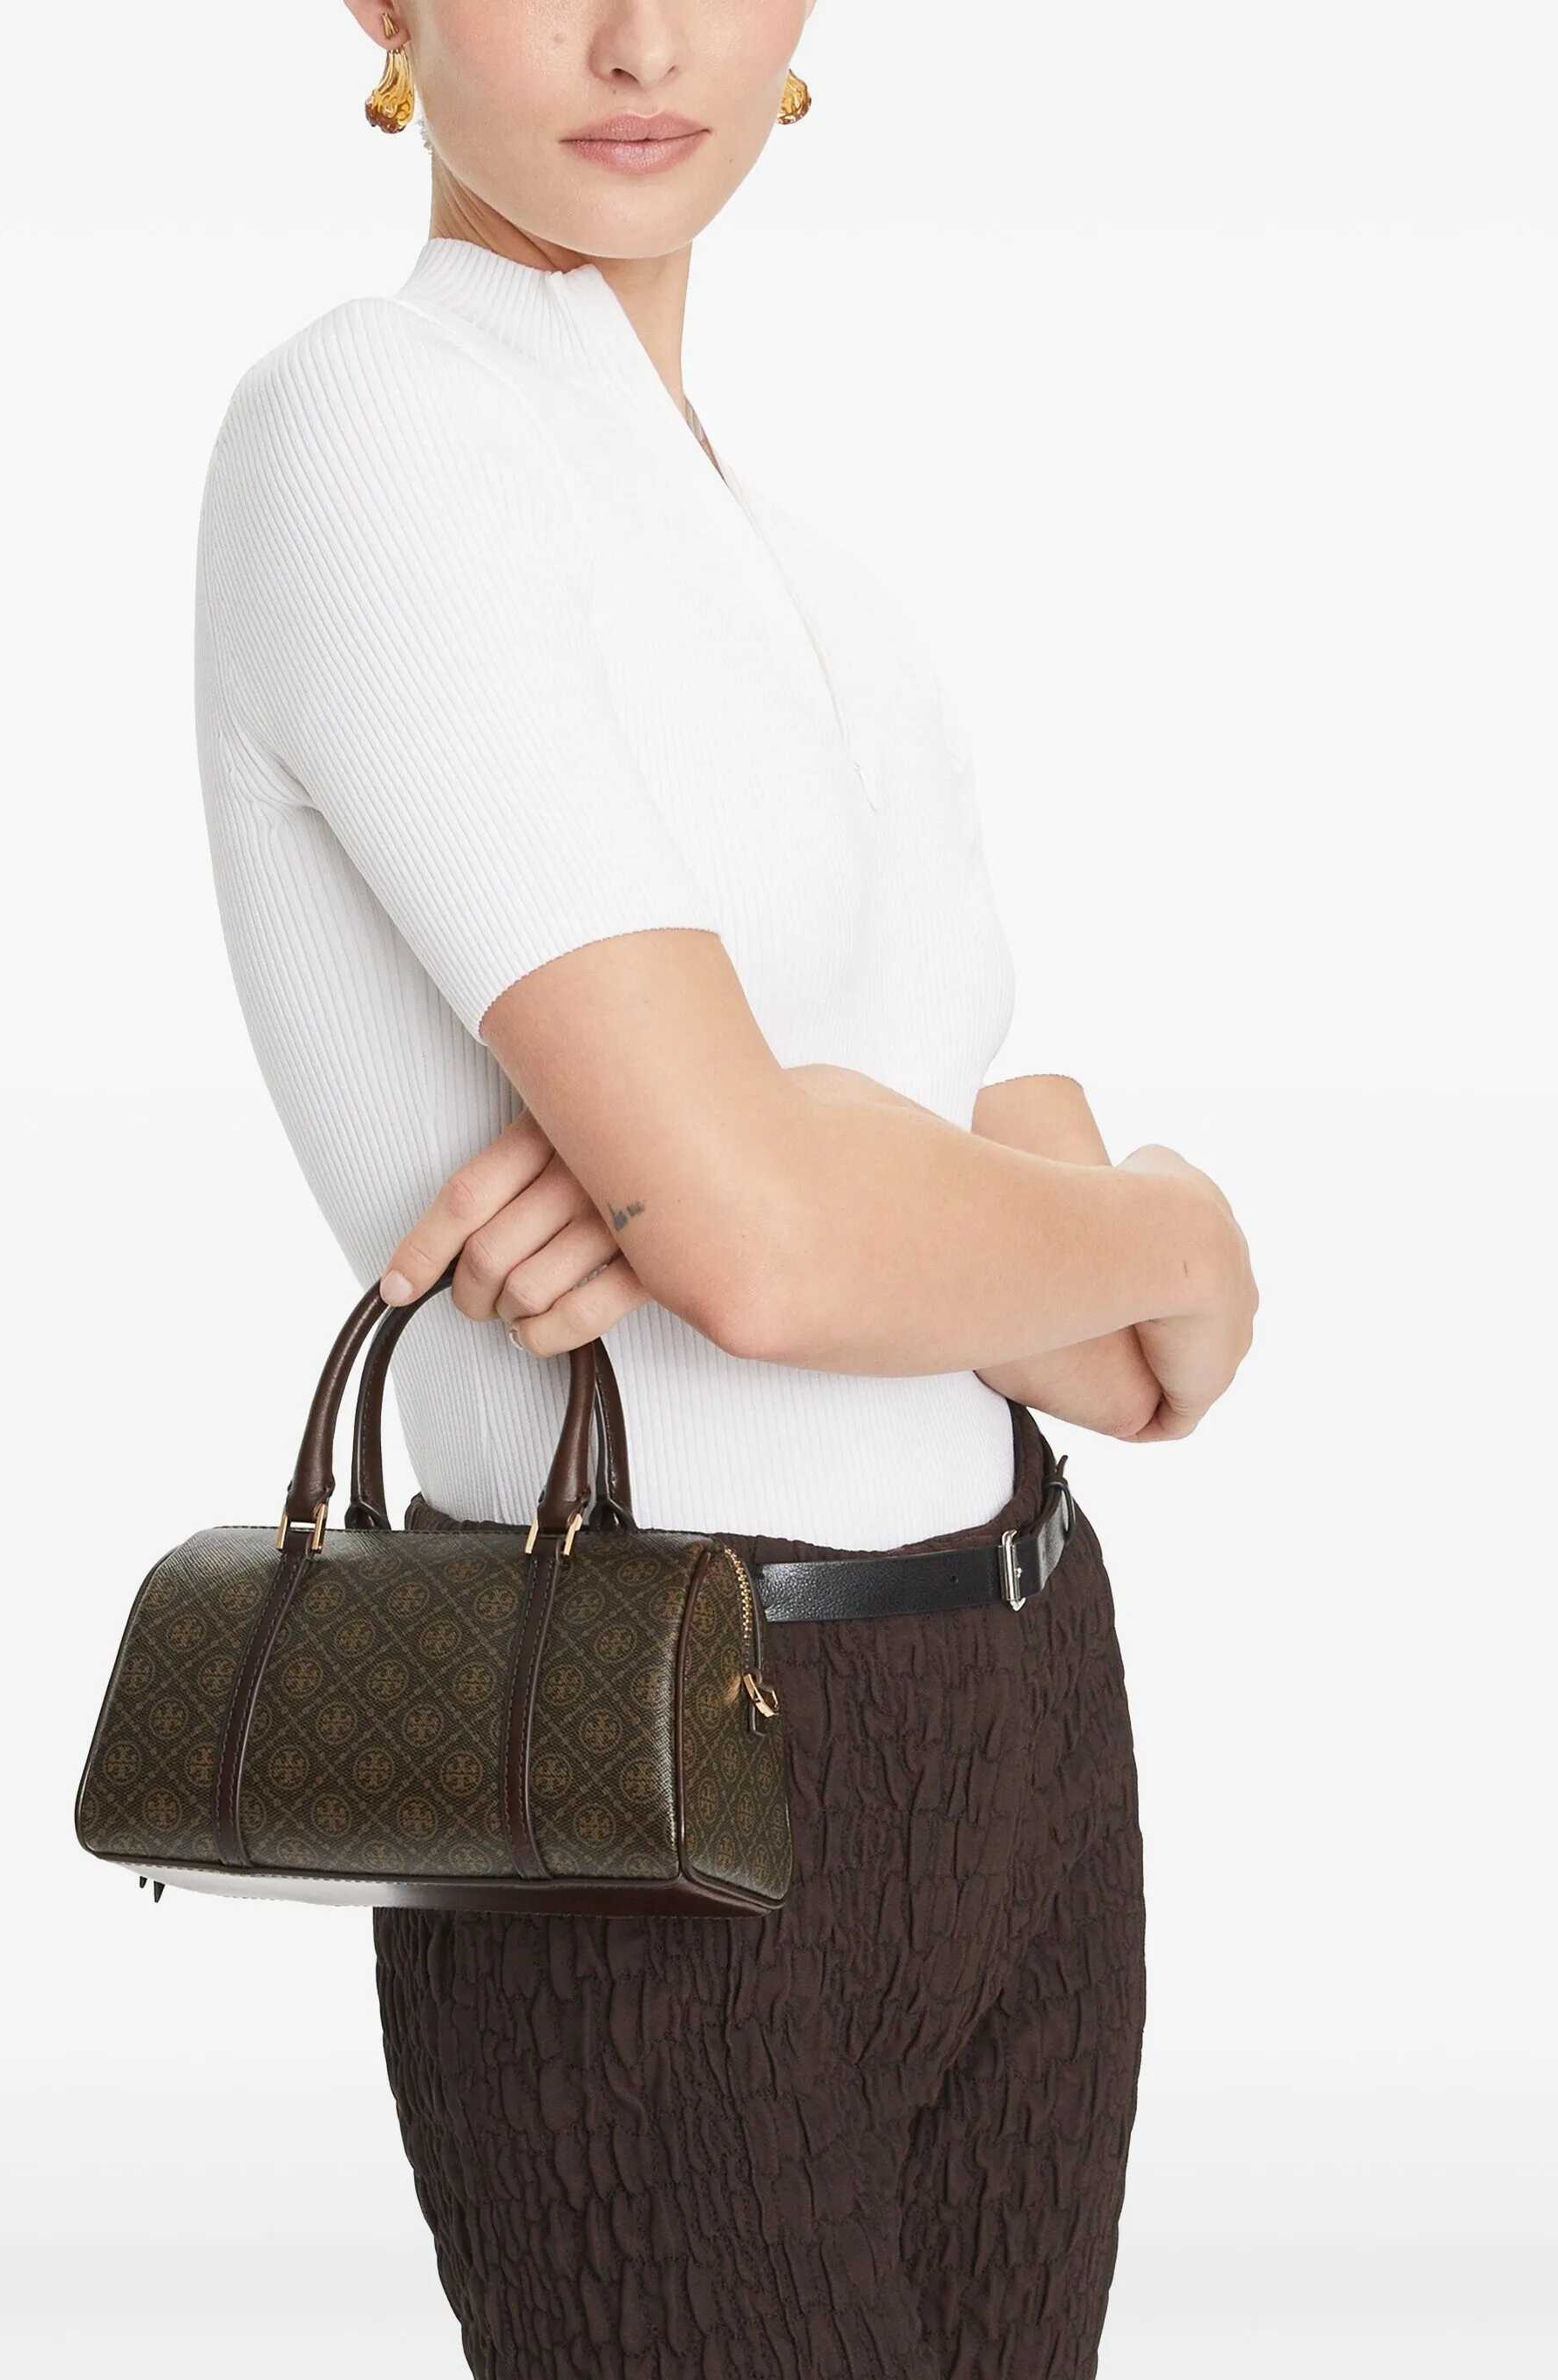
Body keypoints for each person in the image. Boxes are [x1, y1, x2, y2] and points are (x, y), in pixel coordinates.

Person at [192, 5, 1258, 2373]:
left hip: (1021, 1700)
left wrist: (853, 1167)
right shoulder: (369, 429)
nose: (641, 37)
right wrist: (1139, 1220)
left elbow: (1120, 1359)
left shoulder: (823, 590)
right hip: (632, 1758)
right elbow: (776, 1254)